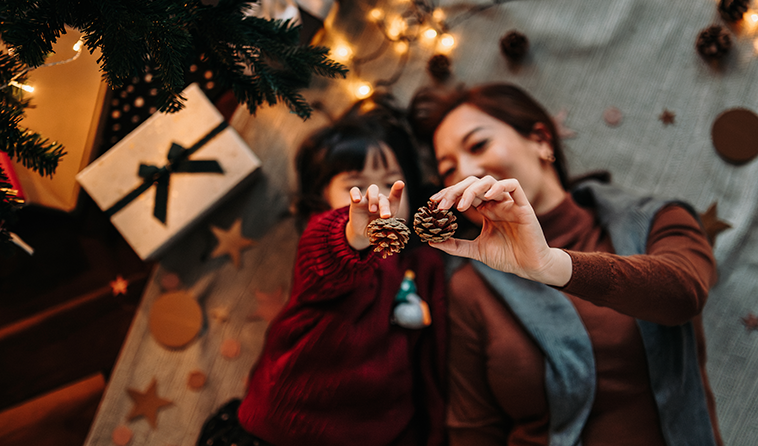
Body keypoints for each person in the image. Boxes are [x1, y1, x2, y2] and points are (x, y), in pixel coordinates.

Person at [409, 82, 722, 446]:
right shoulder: (469, 287)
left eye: (478, 145)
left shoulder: (655, 221)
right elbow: (474, 430)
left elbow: (682, 295)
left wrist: (551, 265)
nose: (465, 171)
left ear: (542, 139)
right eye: (448, 170)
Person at [197, 95, 447, 446]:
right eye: (355, 187)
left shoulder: (425, 265)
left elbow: (431, 366)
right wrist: (354, 231)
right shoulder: (325, 239)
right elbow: (330, 256)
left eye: (392, 184)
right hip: (280, 429)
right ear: (322, 198)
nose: (377, 197)